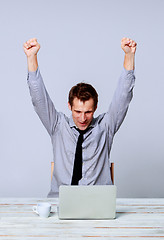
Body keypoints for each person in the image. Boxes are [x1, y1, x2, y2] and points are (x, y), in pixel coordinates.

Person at [23, 37, 137, 197]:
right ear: (69, 106)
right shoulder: (57, 125)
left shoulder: (105, 127)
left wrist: (129, 56)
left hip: (98, 201)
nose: (82, 118)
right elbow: (38, 98)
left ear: (95, 108)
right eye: (77, 111)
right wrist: (31, 57)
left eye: (88, 112)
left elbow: (123, 96)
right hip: (60, 201)